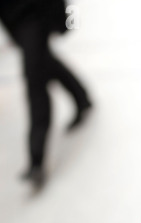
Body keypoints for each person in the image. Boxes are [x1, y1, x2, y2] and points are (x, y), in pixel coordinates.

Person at [0, 0, 91, 188]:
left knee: (35, 82)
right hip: (17, 23)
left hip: (35, 16)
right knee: (44, 63)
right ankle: (81, 98)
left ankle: (36, 160)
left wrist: (63, 19)